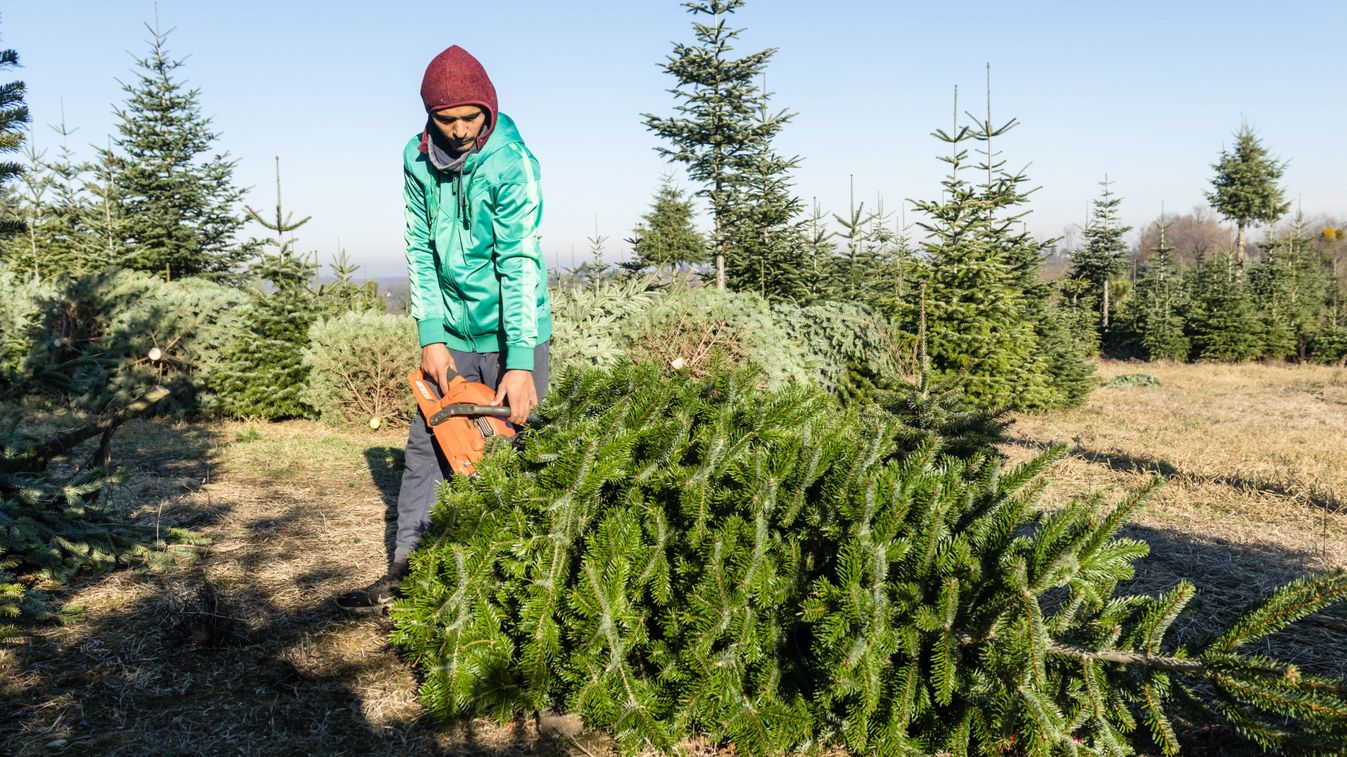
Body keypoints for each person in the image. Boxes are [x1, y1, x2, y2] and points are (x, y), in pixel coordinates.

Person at [337, 45, 552, 613]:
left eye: (469, 117)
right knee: (427, 452)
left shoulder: (513, 164)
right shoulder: (416, 160)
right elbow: (419, 247)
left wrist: (521, 363)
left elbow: (519, 262)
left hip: (515, 336)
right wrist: (431, 335)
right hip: (452, 334)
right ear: (429, 115)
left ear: (488, 108)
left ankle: (522, 594)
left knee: (519, 453)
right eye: (445, 118)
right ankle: (408, 575)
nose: (458, 131)